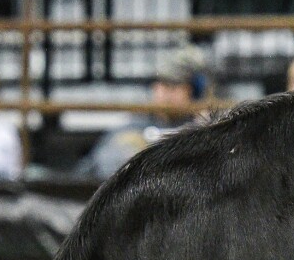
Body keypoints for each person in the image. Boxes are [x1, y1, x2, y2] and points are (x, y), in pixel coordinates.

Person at [78, 46, 208, 180]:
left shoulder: (203, 131)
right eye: (163, 84)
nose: (167, 93)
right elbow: (105, 167)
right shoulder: (132, 127)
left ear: (191, 92)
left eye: (176, 85)